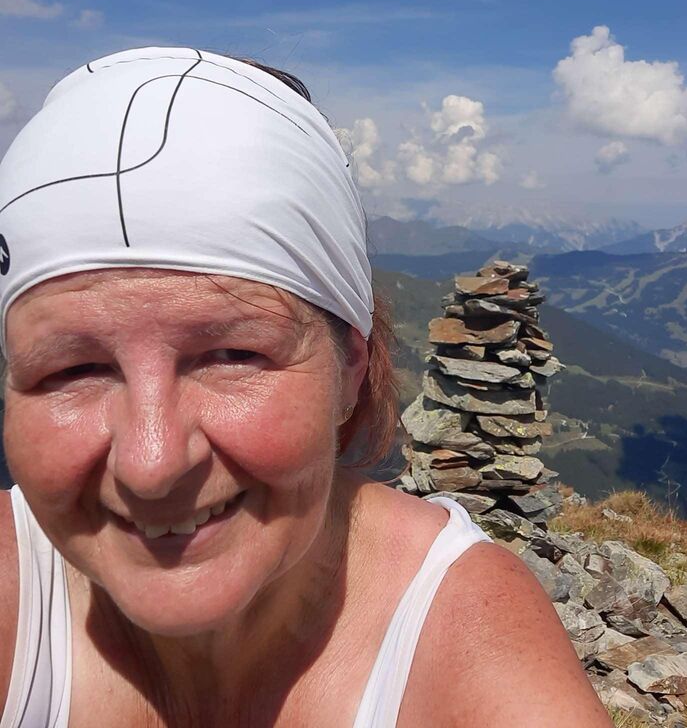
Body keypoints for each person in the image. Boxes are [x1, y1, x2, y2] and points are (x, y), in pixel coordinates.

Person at [0, 47, 612, 727]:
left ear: (351, 367)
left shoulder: (470, 646)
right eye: (71, 370)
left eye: (233, 354)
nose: (151, 464)